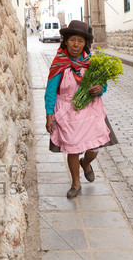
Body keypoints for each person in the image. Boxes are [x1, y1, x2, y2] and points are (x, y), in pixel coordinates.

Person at [45, 20, 118, 198]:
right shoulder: (59, 63)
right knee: (73, 149)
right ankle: (76, 184)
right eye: (72, 40)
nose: (76, 45)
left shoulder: (92, 62)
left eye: (80, 41)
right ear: (66, 41)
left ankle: (86, 163)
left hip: (91, 109)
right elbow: (50, 91)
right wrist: (49, 115)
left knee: (94, 148)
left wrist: (101, 87)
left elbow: (103, 84)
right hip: (67, 111)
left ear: (85, 43)